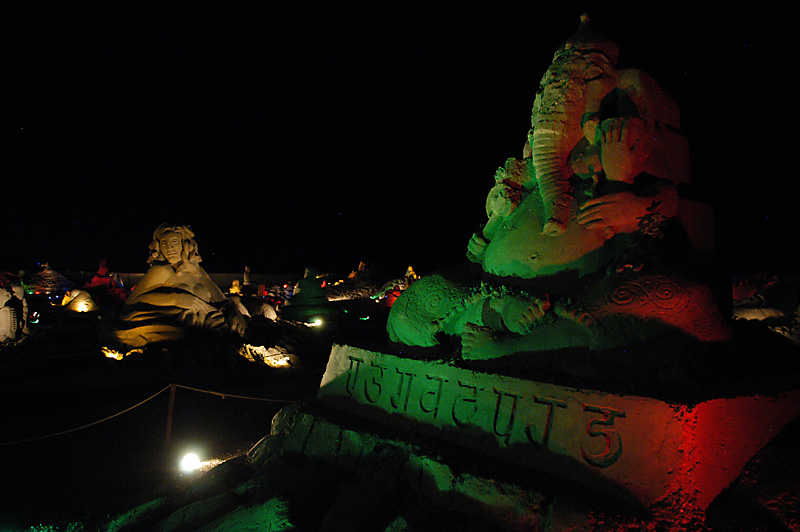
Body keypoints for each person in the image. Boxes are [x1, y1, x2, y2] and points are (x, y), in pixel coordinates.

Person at [108, 224, 246, 348]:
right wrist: (176, 299)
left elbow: (221, 299)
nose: (169, 248)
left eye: (174, 242)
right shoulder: (160, 270)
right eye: (164, 243)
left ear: (186, 244)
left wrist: (234, 312)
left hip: (208, 325)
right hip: (179, 329)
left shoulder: (197, 271)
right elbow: (132, 302)